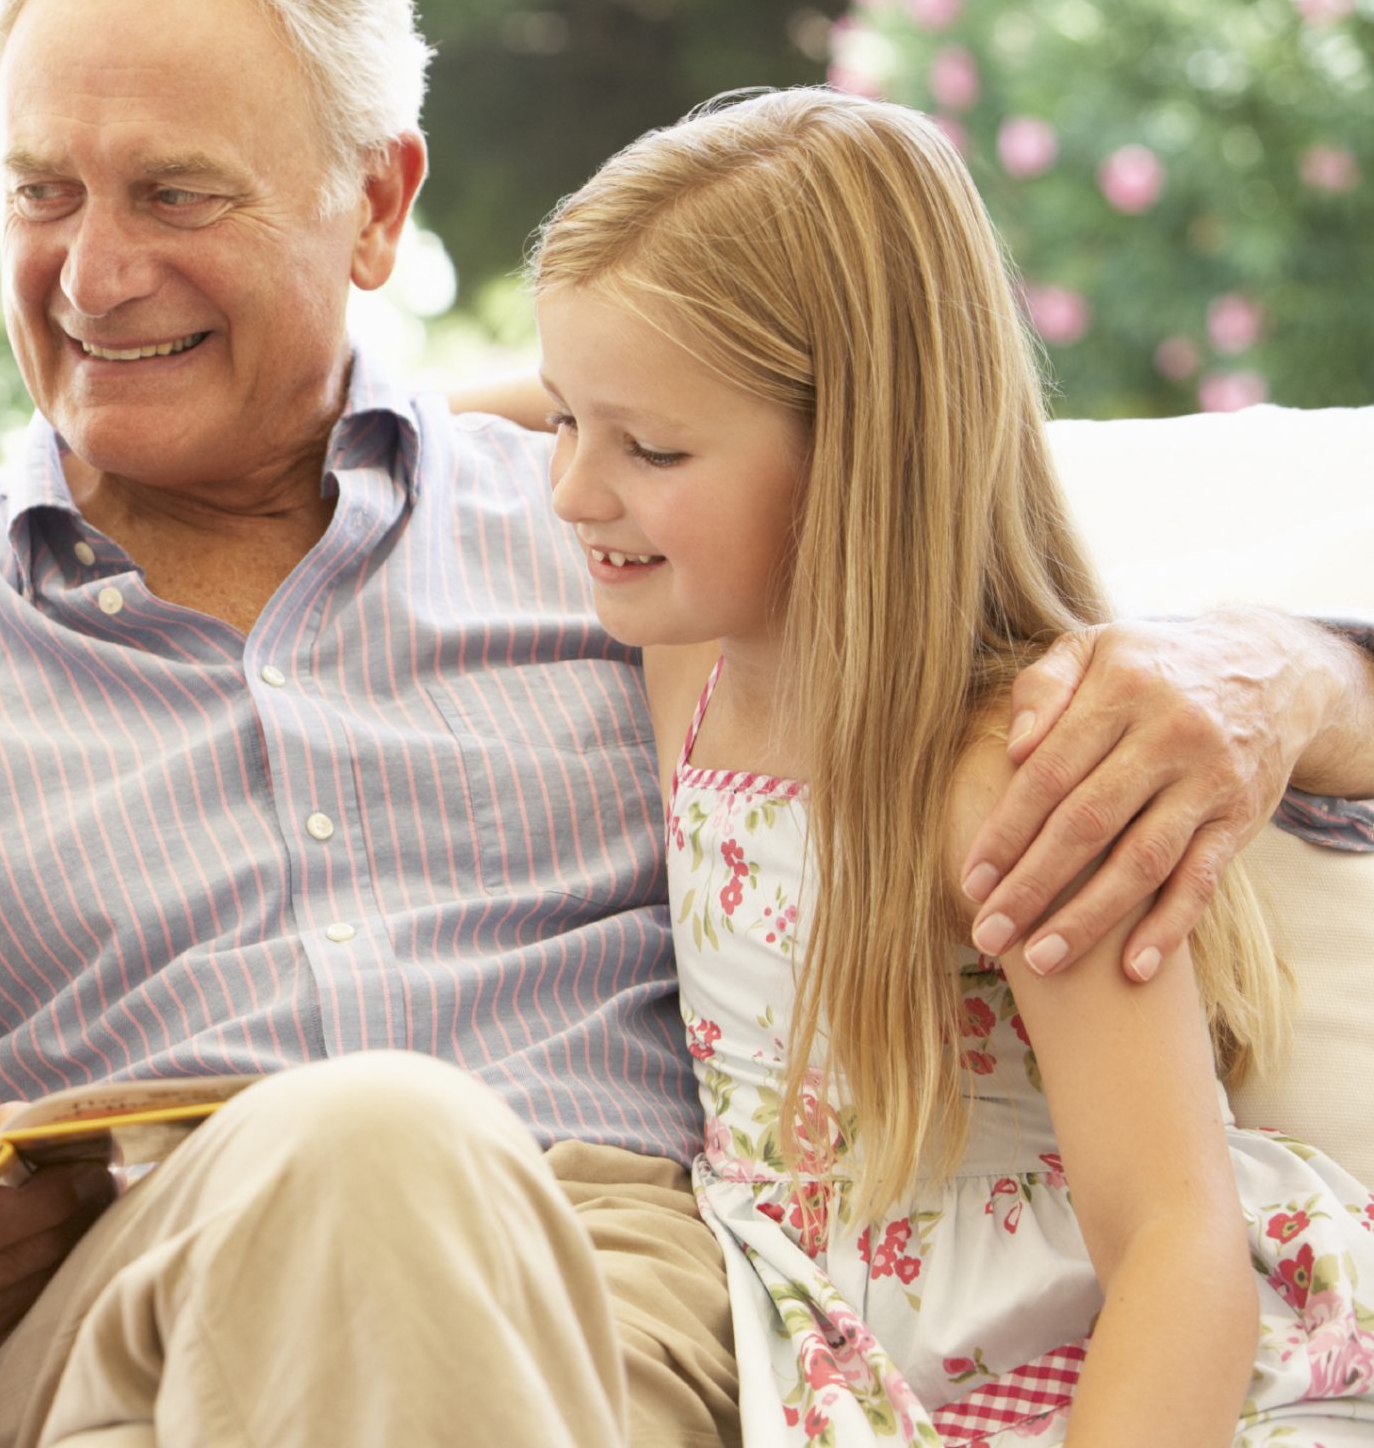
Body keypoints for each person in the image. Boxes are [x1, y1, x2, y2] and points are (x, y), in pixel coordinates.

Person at [0, 0, 1374, 1448]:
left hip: (595, 1304)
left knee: (389, 1154)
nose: (94, 274)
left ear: (378, 205)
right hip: (121, 1322)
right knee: (364, 1142)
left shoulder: (631, 555)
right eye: (42, 191)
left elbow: (904, 503)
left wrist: (1293, 668)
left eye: (178, 193)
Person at [532, 85, 1374, 1444]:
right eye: (569, 419)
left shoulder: (1009, 778)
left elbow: (1174, 1236)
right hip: (837, 1339)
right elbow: (602, 379)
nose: (571, 486)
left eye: (648, 447)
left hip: (1105, 1357)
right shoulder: (694, 650)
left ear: (856, 452)